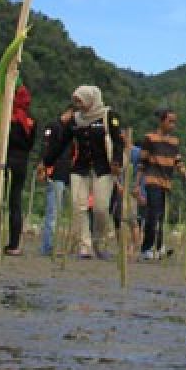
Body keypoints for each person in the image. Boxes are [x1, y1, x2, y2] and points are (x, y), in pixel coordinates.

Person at [44, 85, 124, 259]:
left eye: (81, 100)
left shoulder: (108, 116)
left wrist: (117, 161)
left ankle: (98, 241)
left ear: (91, 99)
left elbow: (118, 140)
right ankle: (84, 246)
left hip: (104, 168)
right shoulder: (75, 120)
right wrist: (47, 161)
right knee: (78, 206)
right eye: (76, 101)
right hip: (80, 168)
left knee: (101, 208)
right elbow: (61, 142)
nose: (78, 104)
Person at [0, 85, 37, 256]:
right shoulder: (30, 121)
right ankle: (14, 245)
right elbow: (31, 145)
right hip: (21, 165)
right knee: (15, 203)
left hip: (2, 163)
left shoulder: (4, 117)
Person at [138, 108, 186, 260]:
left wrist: (184, 172)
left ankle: (158, 247)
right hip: (153, 180)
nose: (172, 125)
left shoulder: (174, 141)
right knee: (153, 215)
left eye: (174, 122)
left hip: (166, 182)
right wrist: (137, 184)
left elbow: (177, 160)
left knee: (160, 216)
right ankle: (147, 248)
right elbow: (143, 162)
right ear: (162, 121)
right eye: (170, 121)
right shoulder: (150, 138)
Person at [38, 118, 72, 256]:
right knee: (53, 211)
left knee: (57, 211)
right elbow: (46, 148)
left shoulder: (72, 131)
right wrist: (43, 168)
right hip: (55, 175)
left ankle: (50, 245)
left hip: (66, 174)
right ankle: (48, 246)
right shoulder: (53, 126)